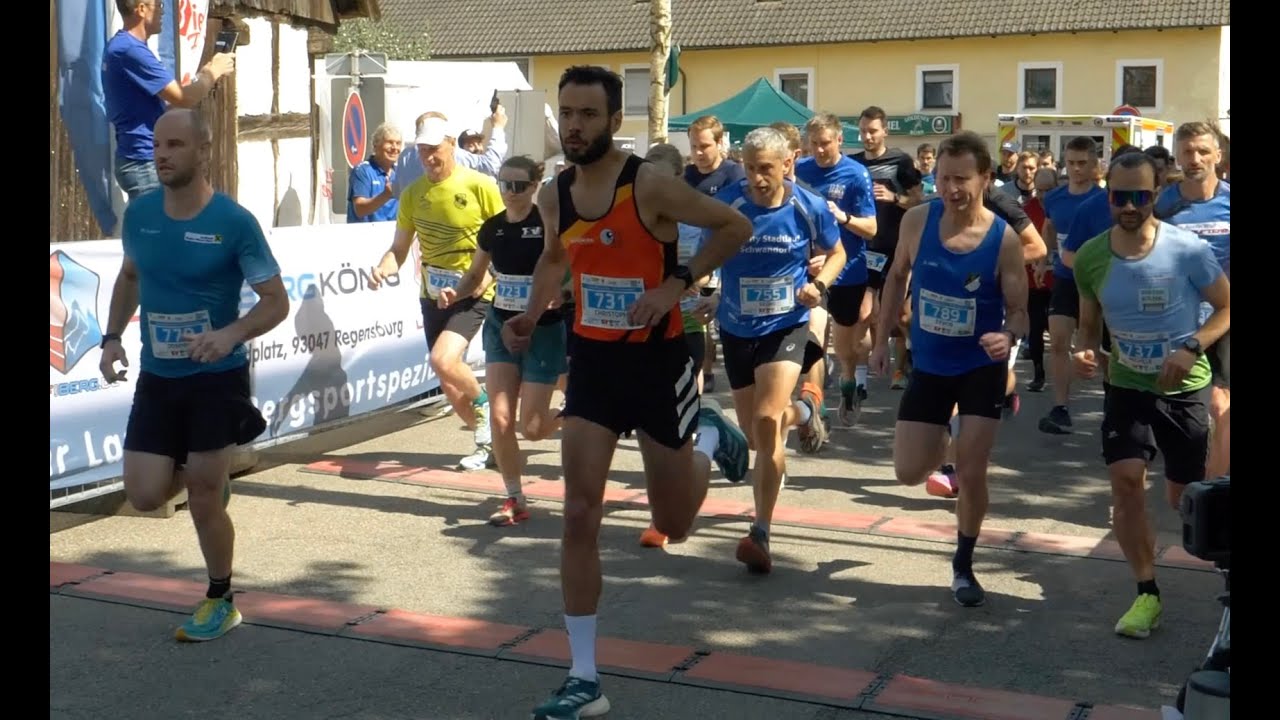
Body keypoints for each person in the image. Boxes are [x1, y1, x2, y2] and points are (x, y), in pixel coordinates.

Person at [501, 66, 752, 720]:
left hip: (657, 364)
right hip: (593, 367)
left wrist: (679, 284)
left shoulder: (650, 186)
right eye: (567, 113)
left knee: (672, 524)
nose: (576, 124)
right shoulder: (555, 190)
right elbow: (557, 257)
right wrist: (534, 310)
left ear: (614, 120)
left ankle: (705, 436)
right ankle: (584, 677)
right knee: (580, 513)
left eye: (589, 113)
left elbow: (733, 228)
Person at [98, 108, 288, 641]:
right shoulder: (140, 215)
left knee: (203, 492)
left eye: (176, 145)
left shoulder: (233, 223)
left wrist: (229, 334)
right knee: (143, 495)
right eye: (159, 145)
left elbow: (276, 302)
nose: (162, 155)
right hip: (159, 377)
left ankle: (220, 598)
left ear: (203, 152)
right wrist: (111, 338)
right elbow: (130, 275)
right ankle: (211, 474)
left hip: (216, 374)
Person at [1071, 151, 1229, 638]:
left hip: (1184, 390)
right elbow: (1088, 323)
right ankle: (1146, 593)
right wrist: (1082, 351)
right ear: (1108, 195)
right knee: (1125, 482)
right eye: (1120, 197)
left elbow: (1226, 307)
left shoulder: (1185, 250)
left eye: (1141, 196)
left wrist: (1191, 345)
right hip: (1126, 387)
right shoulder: (1093, 255)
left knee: (1183, 494)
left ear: (1156, 194)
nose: (1130, 206)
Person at [871, 131, 1029, 607]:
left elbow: (1020, 311)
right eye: (942, 178)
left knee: (972, 468)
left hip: (980, 365)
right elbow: (897, 276)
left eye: (961, 179)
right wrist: (881, 340)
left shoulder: (1003, 241)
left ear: (985, 178)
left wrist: (1010, 335)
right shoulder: (918, 220)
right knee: (907, 472)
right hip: (931, 365)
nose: (951, 189)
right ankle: (941, 432)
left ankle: (963, 563)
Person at [713, 127, 846, 572]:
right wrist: (704, 289)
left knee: (769, 421)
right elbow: (705, 249)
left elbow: (838, 252)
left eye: (766, 168)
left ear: (788, 163)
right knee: (756, 436)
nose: (757, 178)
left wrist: (819, 284)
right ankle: (808, 409)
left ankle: (762, 530)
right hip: (734, 327)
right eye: (750, 168)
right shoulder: (729, 202)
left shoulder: (807, 206)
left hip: (785, 325)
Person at [369, 114, 504, 470]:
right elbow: (399, 248)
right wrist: (385, 267)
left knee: (443, 360)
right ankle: (487, 440)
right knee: (447, 378)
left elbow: (506, 236)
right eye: (424, 150)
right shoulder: (413, 194)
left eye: (435, 149)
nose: (429, 157)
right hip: (433, 293)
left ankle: (488, 410)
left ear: (451, 145)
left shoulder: (480, 185)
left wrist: (491, 277)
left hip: (474, 289)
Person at [441, 156, 565, 525]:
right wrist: (456, 293)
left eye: (518, 186)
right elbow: (476, 274)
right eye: (504, 184)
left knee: (534, 428)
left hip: (544, 328)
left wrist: (562, 292)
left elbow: (571, 268)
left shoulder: (548, 226)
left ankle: (579, 413)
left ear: (534, 186)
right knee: (499, 417)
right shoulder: (493, 228)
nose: (510, 193)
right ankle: (514, 498)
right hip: (501, 325)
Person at [103, 0, 235, 201]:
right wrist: (214, 71)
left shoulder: (123, 46)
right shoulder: (130, 50)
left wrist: (204, 74)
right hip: (143, 161)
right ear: (141, 9)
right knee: (155, 230)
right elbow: (184, 98)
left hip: (140, 157)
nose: (163, 13)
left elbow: (170, 100)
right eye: (159, 6)